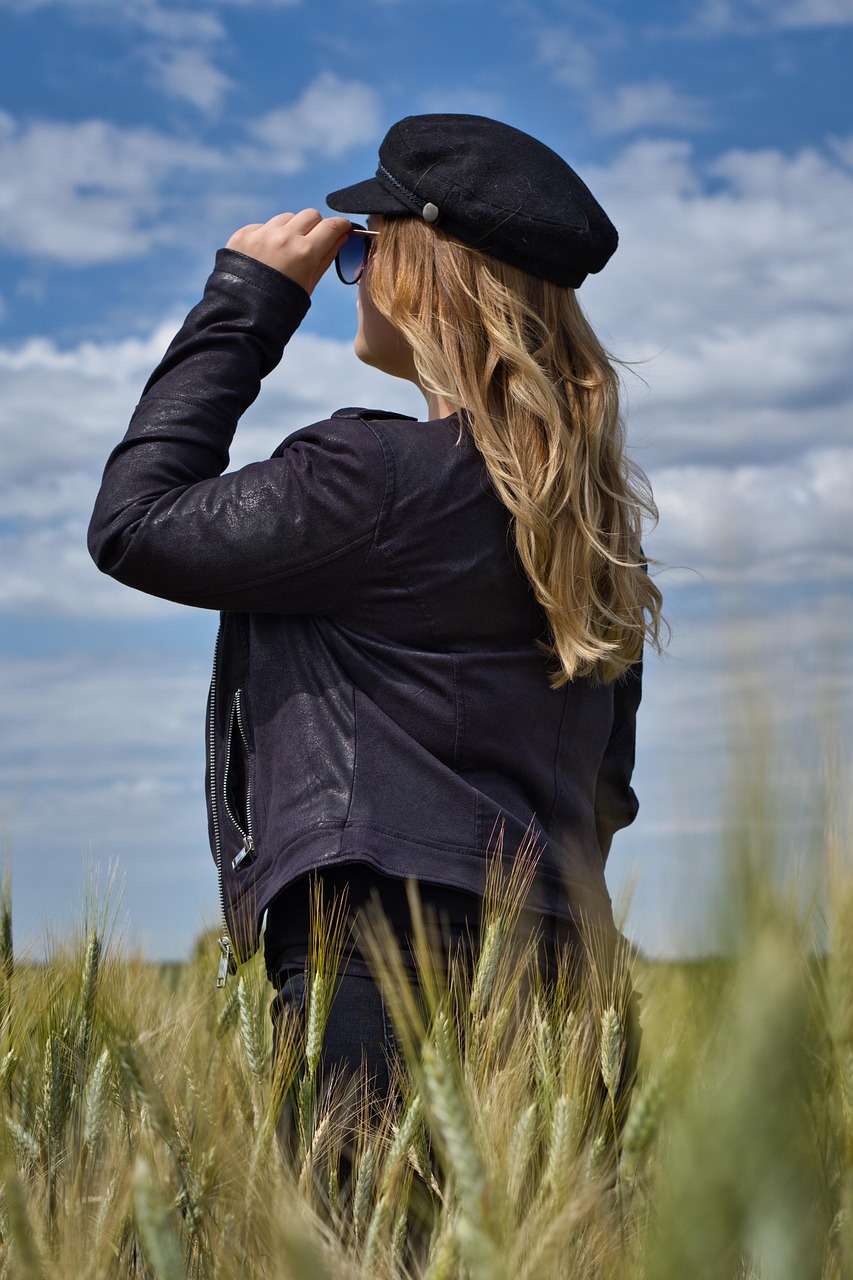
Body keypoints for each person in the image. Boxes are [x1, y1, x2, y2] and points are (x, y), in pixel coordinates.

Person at [88, 113, 663, 1120]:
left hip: (378, 974)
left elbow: (133, 524)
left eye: (363, 248)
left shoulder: (371, 476)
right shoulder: (589, 528)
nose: (349, 270)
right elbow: (602, 794)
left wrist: (247, 299)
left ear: (420, 268)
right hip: (570, 982)